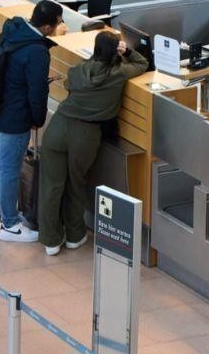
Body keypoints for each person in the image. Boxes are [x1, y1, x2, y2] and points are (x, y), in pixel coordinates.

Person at [38, 30, 148, 256]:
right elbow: (142, 63)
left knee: (51, 184)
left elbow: (71, 82)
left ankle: (50, 240)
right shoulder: (119, 73)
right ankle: (75, 236)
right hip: (86, 133)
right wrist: (126, 51)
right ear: (114, 50)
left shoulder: (78, 71)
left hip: (58, 126)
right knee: (76, 182)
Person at [0, 0, 64, 243]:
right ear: (47, 28)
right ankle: (9, 225)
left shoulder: (13, 32)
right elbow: (36, 90)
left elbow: (21, 65)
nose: (62, 26)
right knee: (10, 170)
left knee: (1, 166)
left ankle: (6, 215)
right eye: (59, 22)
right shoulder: (36, 51)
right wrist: (37, 119)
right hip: (15, 118)